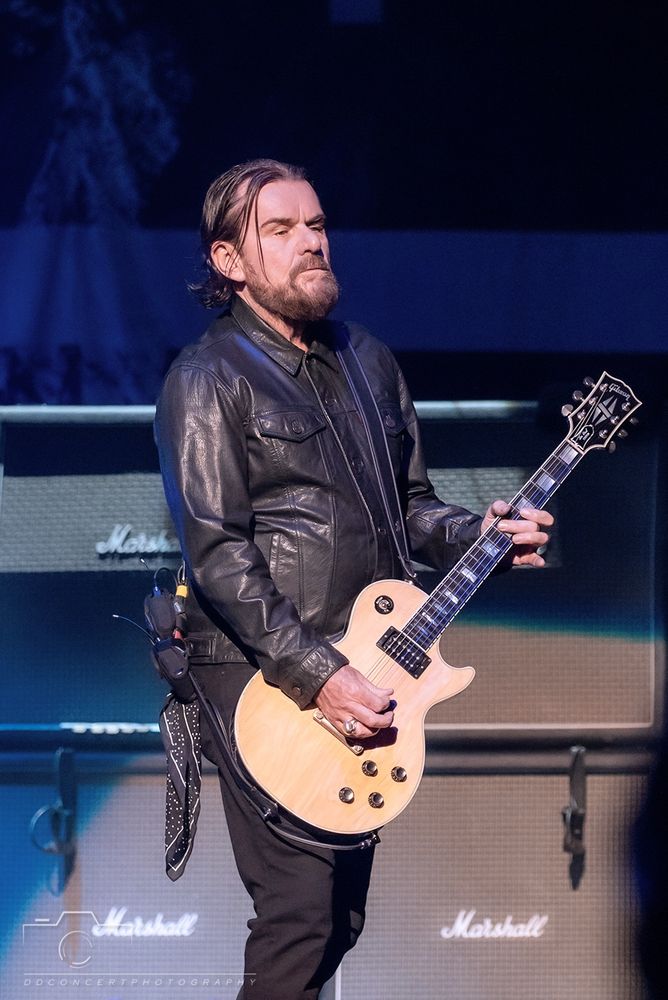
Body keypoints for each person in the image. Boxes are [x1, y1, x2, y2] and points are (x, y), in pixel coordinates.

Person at [154, 158, 553, 1000]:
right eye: (282, 230)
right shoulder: (207, 378)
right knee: (298, 912)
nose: (312, 243)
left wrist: (477, 535)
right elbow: (218, 553)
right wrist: (318, 674)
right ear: (228, 262)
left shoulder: (367, 360)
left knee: (339, 920)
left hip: (376, 666)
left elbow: (408, 507)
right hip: (270, 678)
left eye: (318, 225)